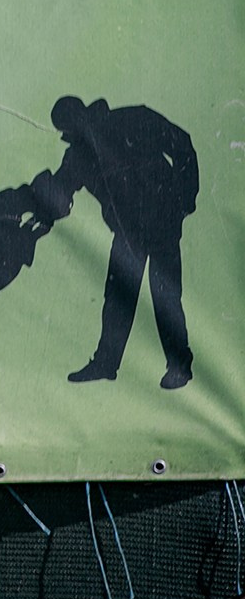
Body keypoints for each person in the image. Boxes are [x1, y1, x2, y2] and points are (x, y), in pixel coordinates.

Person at [50, 96, 195, 389]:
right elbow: (59, 190)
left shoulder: (133, 119)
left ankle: (179, 366)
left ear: (85, 111)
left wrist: (185, 198)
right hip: (128, 232)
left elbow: (182, 143)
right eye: (69, 128)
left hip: (163, 221)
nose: (77, 130)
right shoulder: (78, 155)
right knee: (117, 297)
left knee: (165, 294)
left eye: (76, 120)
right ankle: (106, 363)